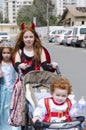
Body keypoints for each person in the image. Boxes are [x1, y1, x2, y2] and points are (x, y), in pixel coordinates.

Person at [0, 42, 21, 130]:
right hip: (2, 90)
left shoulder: (13, 64)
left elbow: (19, 74)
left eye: (8, 53)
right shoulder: (0, 64)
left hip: (12, 90)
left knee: (13, 107)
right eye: (4, 53)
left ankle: (13, 126)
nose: (6, 55)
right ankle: (4, 126)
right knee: (3, 108)